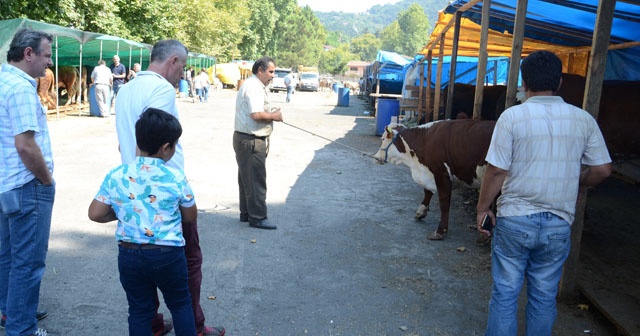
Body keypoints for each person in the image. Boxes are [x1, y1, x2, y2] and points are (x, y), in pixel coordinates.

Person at [476, 50, 612, 336]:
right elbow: (602, 170)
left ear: (524, 83)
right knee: (543, 297)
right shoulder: (583, 119)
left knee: (505, 295)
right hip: (558, 224)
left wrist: (483, 208)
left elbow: (496, 171)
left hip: (515, 220)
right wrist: (578, 180)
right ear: (559, 82)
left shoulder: (511, 117)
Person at [115, 39, 225, 336]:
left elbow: (126, 141)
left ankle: (151, 324)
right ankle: (195, 326)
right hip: (163, 192)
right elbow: (161, 142)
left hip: (133, 185)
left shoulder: (126, 89)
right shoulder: (161, 89)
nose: (182, 75)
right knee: (189, 261)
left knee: (139, 267)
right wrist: (178, 192)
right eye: (183, 67)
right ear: (173, 61)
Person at [88, 108, 197, 336]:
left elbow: (96, 213)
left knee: (139, 310)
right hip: (168, 254)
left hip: (129, 255)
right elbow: (190, 216)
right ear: (166, 147)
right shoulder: (175, 177)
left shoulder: (117, 174)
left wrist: (126, 212)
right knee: (180, 305)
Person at [0, 28, 55, 336]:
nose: (48, 63)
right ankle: (21, 328)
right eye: (46, 55)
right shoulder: (21, 88)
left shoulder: (3, 80)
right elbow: (25, 145)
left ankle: (11, 313)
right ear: (28, 53)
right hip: (26, 185)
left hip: (7, 184)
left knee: (8, 255)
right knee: (28, 262)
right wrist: (46, 180)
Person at [233, 56, 283, 230]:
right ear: (260, 70)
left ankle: (246, 214)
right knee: (256, 180)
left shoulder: (253, 85)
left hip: (245, 139)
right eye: (271, 71)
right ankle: (258, 217)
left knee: (246, 178)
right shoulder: (254, 87)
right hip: (251, 140)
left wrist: (269, 113)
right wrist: (274, 116)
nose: (273, 75)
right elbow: (256, 114)